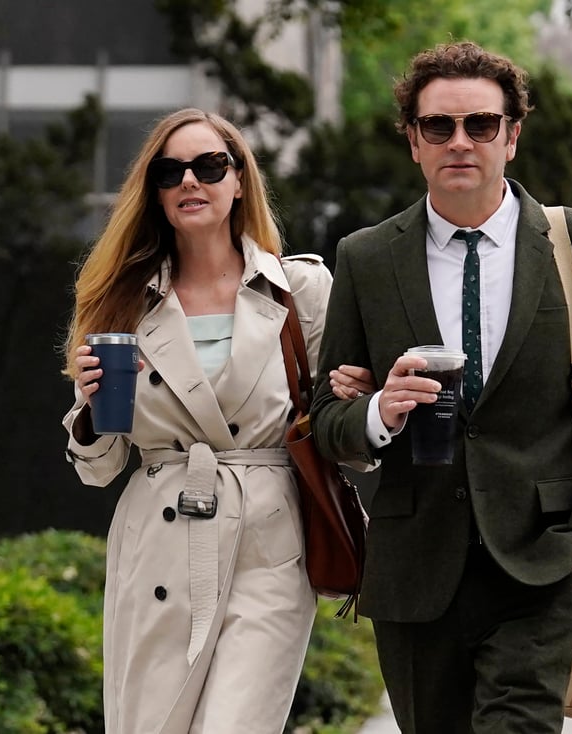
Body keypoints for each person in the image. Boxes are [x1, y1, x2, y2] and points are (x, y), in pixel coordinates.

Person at [313, 42, 572, 734]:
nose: (460, 142)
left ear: (512, 136)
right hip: (415, 572)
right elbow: (329, 418)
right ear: (413, 141)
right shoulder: (367, 258)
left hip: (541, 567)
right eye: (439, 126)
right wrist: (378, 410)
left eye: (481, 125)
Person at [61, 107, 373, 734]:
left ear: (239, 181)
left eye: (208, 166)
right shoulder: (120, 299)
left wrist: (359, 400)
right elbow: (99, 470)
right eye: (170, 171)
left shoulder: (299, 290)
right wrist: (93, 417)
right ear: (153, 191)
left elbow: (343, 433)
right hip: (158, 542)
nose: (189, 182)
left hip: (268, 542)